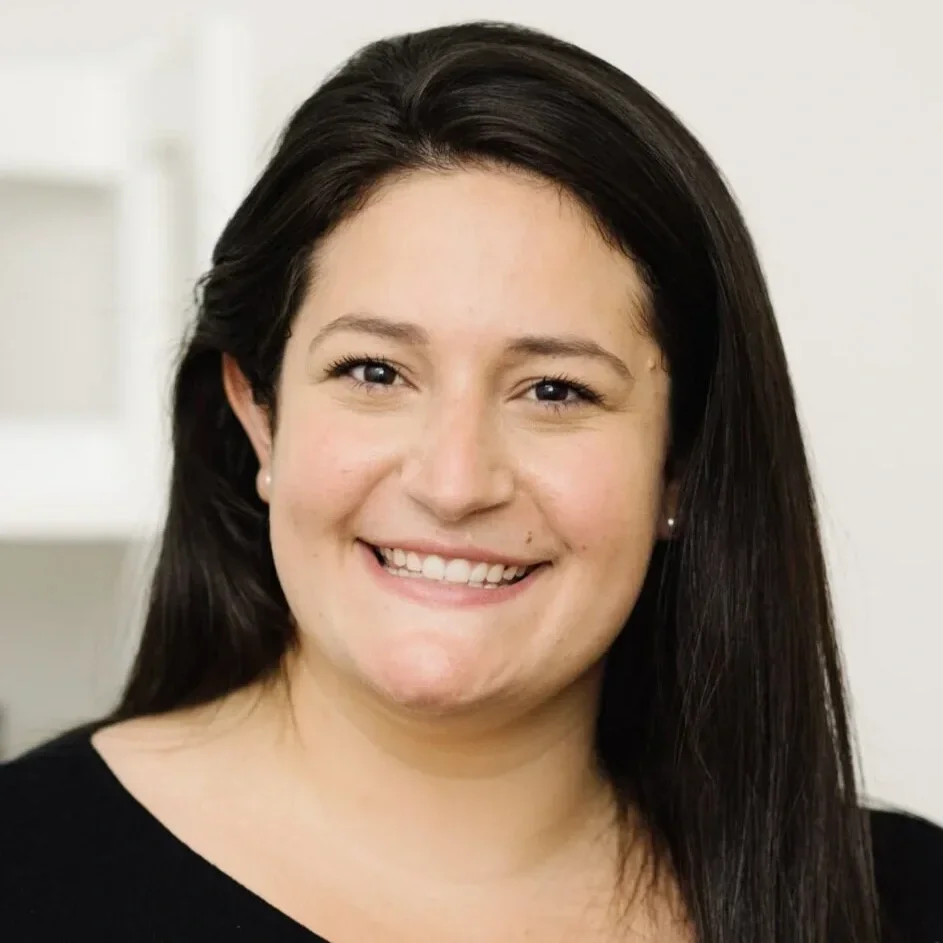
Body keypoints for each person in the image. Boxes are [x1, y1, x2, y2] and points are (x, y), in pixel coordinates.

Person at [1, 19, 940, 943]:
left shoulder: (904, 901)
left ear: (682, 464)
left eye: (554, 389)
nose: (455, 483)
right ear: (258, 415)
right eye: (374, 372)